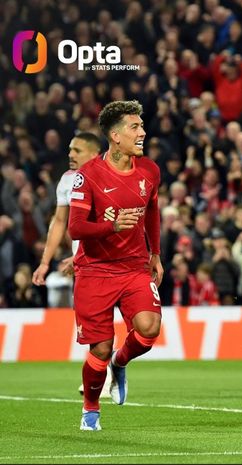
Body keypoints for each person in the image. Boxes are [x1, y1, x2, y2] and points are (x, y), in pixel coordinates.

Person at [68, 100, 163, 431]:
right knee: (100, 347)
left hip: (135, 265)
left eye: (141, 126)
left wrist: (156, 254)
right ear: (115, 135)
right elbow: (75, 228)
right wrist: (112, 226)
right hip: (95, 270)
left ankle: (120, 363)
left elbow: (152, 210)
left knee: (149, 328)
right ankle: (90, 408)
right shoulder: (88, 176)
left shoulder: (150, 170)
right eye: (135, 127)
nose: (143, 132)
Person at [30, 132, 113, 398]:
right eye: (70, 149)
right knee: (93, 319)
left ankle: (114, 366)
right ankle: (105, 369)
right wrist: (45, 262)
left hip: (115, 258)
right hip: (86, 263)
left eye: (76, 150)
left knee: (127, 319)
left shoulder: (111, 175)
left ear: (93, 153)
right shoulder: (67, 181)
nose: (70, 155)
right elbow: (59, 222)